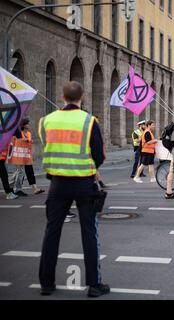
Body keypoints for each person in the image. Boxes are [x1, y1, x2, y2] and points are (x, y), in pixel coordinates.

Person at [38, 81, 109, 297]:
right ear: (83, 97)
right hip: (84, 183)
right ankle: (94, 286)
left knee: (52, 232)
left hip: (57, 184)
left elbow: (46, 145)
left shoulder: (46, 121)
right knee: (89, 232)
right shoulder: (89, 121)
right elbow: (99, 155)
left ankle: (46, 284)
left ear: (62, 97)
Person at [9, 119, 45, 196]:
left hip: (26, 156)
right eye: (28, 124)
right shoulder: (18, 133)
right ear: (24, 125)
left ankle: (34, 189)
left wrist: (29, 141)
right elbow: (13, 142)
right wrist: (23, 140)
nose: (29, 125)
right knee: (20, 171)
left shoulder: (28, 133)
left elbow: (27, 144)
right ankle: (15, 188)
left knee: (27, 171)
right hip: (18, 156)